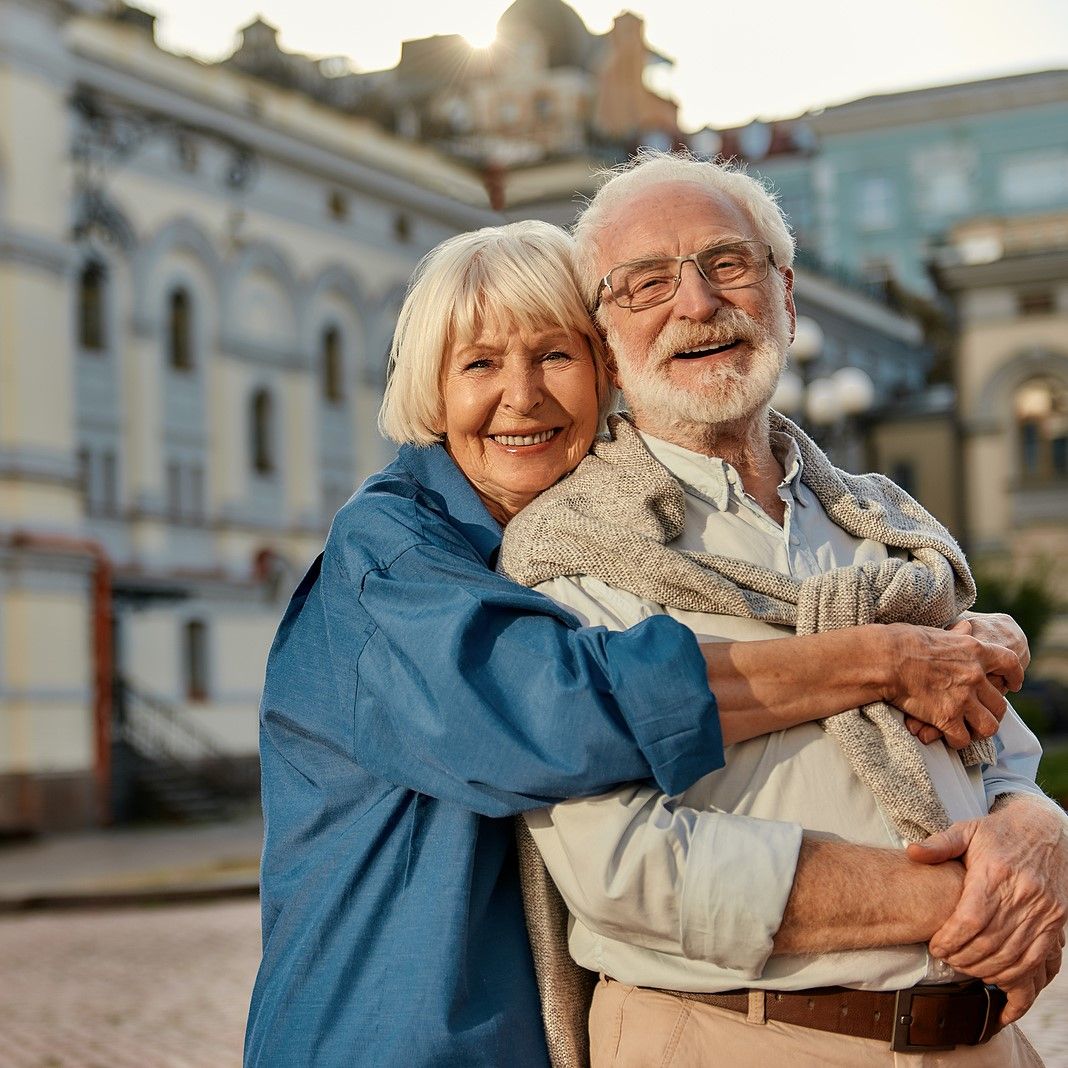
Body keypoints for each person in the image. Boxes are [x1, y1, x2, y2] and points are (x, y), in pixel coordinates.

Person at [243, 220, 1030, 1067]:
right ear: (429, 392)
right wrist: (879, 660)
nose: (522, 396)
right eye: (478, 364)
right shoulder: (390, 554)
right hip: (392, 1035)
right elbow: (554, 715)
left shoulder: (614, 540)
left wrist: (958, 658)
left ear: (606, 368)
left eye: (555, 355)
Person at [500, 153, 1068, 1066]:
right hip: (735, 1038)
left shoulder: (886, 524)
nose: (697, 304)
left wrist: (1039, 829)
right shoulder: (569, 550)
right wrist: (968, 897)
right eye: (646, 284)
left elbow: (1000, 756)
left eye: (728, 264)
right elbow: (623, 866)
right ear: (602, 344)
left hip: (981, 1041)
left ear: (787, 296)